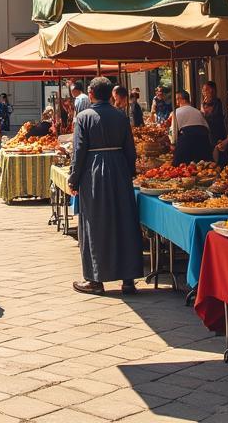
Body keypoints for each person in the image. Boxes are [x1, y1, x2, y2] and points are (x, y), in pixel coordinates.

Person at [69, 79, 144, 295]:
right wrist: (129, 172)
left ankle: (95, 279)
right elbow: (130, 149)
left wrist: (74, 178)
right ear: (109, 94)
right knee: (125, 222)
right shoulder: (121, 116)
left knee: (95, 224)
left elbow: (79, 151)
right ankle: (128, 280)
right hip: (119, 169)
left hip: (93, 172)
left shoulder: (83, 118)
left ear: (91, 93)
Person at [170, 90, 213, 165]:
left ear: (180, 99)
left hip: (186, 141)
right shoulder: (198, 112)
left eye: (176, 99)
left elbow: (173, 133)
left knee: (178, 167)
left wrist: (173, 143)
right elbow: (207, 128)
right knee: (203, 168)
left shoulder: (176, 112)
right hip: (203, 142)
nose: (176, 101)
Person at [201, 81, 227, 152]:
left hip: (217, 133)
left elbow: (215, 117)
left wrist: (205, 112)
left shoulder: (218, 102)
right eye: (203, 90)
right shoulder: (204, 103)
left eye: (205, 90)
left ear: (211, 90)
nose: (203, 92)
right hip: (208, 133)